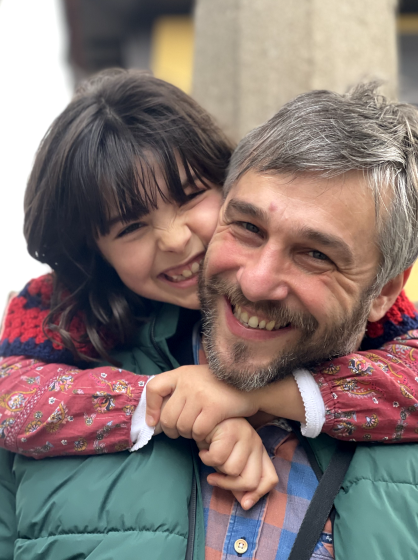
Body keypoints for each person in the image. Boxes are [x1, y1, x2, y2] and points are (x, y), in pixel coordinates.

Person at [0, 74, 417, 559]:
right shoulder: (67, 308)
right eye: (132, 227)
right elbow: (12, 395)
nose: (175, 240)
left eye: (191, 196)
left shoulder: (372, 317)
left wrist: (254, 394)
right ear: (94, 253)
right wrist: (176, 407)